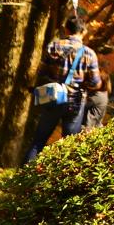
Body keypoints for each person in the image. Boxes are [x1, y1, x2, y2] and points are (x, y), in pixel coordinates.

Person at [23, 16, 100, 163]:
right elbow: (95, 83)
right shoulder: (89, 54)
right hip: (76, 101)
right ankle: (64, 181)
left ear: (66, 29)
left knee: (38, 141)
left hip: (54, 97)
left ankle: (22, 179)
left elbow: (42, 73)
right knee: (71, 146)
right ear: (83, 32)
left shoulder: (53, 46)